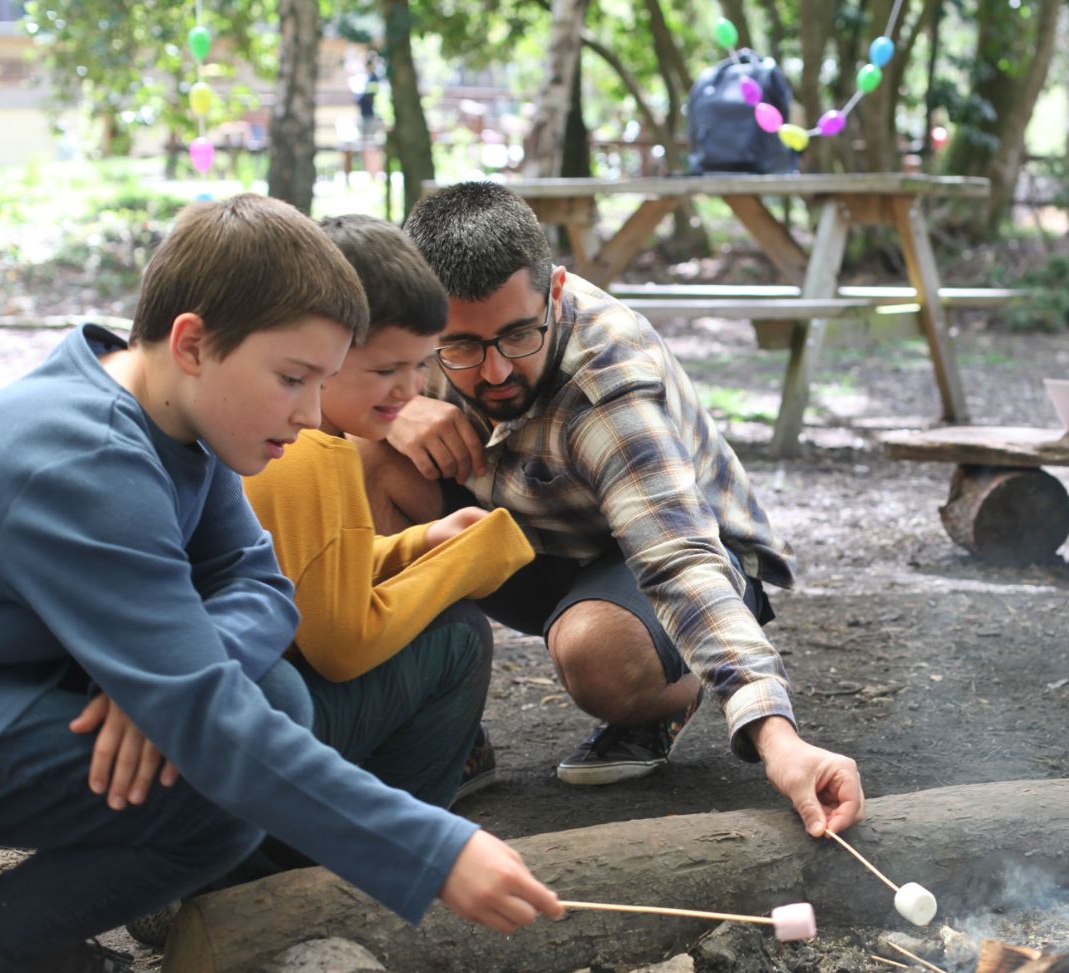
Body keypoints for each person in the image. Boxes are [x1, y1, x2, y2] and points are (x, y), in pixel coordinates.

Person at [0, 193, 562, 973]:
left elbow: (258, 583)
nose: (307, 413)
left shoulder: (176, 410)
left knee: (265, 699)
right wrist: (431, 850)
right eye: (293, 379)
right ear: (192, 342)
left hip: (28, 677)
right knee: (213, 779)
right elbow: (214, 722)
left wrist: (168, 686)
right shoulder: (89, 459)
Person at [359, 181, 865, 838]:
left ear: (557, 292)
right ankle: (447, 727)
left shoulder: (608, 380)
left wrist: (778, 738)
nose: (493, 374)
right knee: (364, 455)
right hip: (527, 531)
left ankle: (661, 696)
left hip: (654, 550)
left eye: (518, 335)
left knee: (597, 652)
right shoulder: (405, 340)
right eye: (459, 348)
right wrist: (391, 411)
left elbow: (676, 556)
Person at [240, 212, 534, 827]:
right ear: (321, 351)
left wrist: (420, 542)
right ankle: (381, 840)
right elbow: (343, 646)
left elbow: (301, 572)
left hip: (219, 728)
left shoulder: (254, 423)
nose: (410, 391)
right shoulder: (311, 453)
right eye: (384, 370)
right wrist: (469, 559)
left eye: (422, 364)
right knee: (458, 634)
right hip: (239, 746)